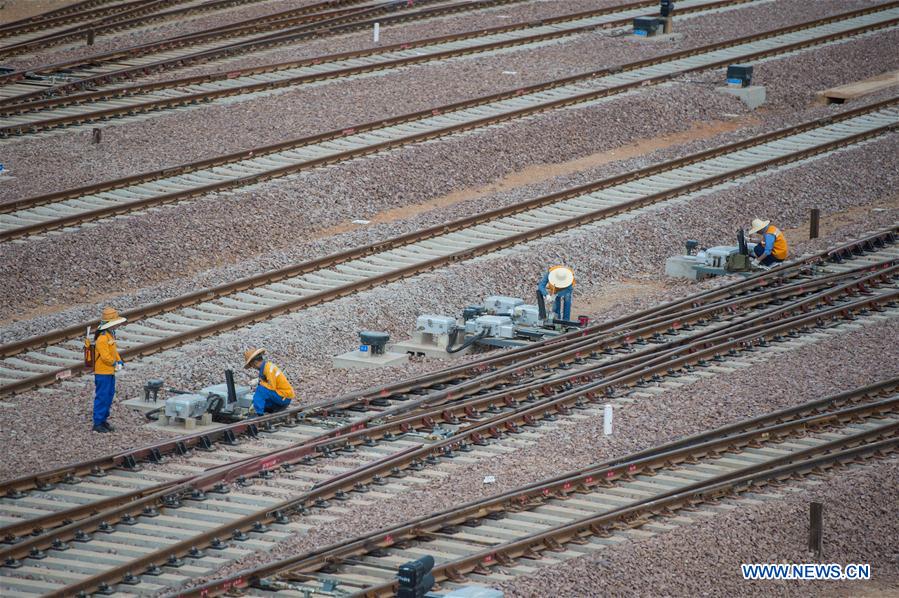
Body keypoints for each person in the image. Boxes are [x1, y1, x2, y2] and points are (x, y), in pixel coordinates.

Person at [92, 306, 126, 433]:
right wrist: (115, 363)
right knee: (102, 396)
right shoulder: (102, 338)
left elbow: (114, 351)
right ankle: (98, 423)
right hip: (103, 372)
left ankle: (103, 420)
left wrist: (119, 360)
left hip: (109, 372)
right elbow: (106, 356)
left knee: (109, 395)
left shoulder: (109, 335)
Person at [243, 348, 296, 417]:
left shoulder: (268, 369)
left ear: (255, 362)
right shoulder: (266, 367)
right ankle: (266, 410)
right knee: (261, 398)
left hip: (284, 397)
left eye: (252, 365)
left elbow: (271, 387)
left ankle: (258, 413)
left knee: (260, 390)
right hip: (281, 396)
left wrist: (259, 382)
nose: (253, 367)